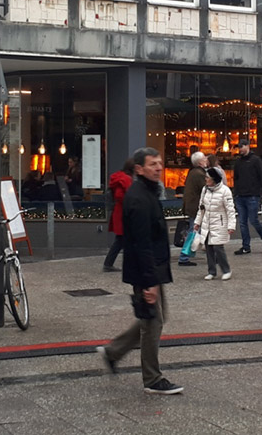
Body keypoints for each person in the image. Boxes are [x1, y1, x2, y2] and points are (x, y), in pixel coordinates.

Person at [96, 147, 183, 395]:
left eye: (159, 163)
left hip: (151, 268)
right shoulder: (139, 198)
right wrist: (150, 283)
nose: (158, 168)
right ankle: (152, 379)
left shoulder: (147, 192)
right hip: (146, 271)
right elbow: (142, 244)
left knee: (153, 318)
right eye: (152, 164)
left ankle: (113, 352)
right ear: (139, 168)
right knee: (152, 322)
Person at [193, 166, 236, 280]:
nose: (205, 179)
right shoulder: (205, 190)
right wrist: (197, 222)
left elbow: (230, 210)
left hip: (220, 223)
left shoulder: (225, 191)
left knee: (218, 247)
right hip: (207, 223)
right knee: (208, 248)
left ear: (214, 179)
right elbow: (201, 208)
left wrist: (231, 226)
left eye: (207, 177)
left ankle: (226, 270)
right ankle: (212, 271)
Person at [232, 142, 262, 255]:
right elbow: (236, 178)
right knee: (242, 222)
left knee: (253, 220)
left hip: (252, 195)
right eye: (239, 147)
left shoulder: (256, 160)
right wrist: (236, 193)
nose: (240, 149)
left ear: (247, 146)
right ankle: (246, 246)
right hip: (241, 195)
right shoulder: (238, 162)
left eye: (242, 147)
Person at [103, 160, 134, 272]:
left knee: (121, 239)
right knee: (122, 239)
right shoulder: (126, 179)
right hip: (123, 212)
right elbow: (124, 196)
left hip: (119, 211)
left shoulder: (119, 177)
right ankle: (110, 263)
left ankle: (109, 263)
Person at [178, 151, 208, 267]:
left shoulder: (193, 172)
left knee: (196, 231)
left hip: (193, 206)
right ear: (200, 162)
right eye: (204, 158)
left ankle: (212, 254)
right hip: (196, 208)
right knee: (193, 231)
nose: (206, 160)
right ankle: (184, 257)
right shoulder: (199, 174)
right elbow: (205, 189)